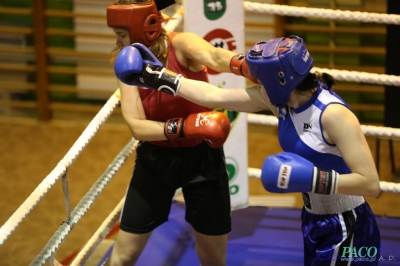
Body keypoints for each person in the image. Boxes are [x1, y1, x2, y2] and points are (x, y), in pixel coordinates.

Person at [114, 35, 382, 265]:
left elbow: (370, 183)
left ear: (280, 80)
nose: (256, 83)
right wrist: (159, 78)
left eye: (261, 79)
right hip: (314, 217)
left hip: (349, 223)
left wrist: (312, 178)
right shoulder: (280, 100)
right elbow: (213, 96)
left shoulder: (333, 115)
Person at [106, 0, 258, 265]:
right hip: (156, 161)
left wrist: (245, 66)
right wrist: (186, 127)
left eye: (121, 35)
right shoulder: (127, 63)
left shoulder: (182, 44)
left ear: (147, 28)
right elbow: (137, 127)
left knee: (213, 258)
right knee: (124, 256)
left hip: (202, 159)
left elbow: (214, 56)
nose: (118, 42)